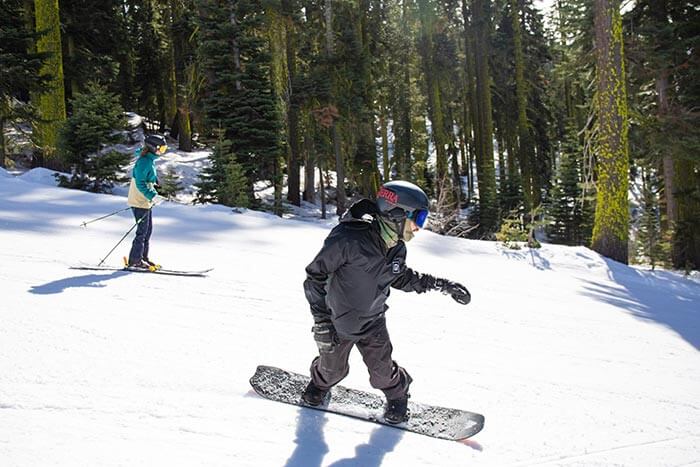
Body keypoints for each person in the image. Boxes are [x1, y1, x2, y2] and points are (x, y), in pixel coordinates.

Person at [302, 180, 471, 424]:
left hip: (373, 321)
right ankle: (318, 385)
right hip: (337, 322)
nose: (419, 228)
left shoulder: (396, 248)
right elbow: (314, 277)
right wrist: (322, 322)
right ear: (396, 214)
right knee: (331, 371)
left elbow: (401, 276)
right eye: (419, 219)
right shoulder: (349, 239)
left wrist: (443, 285)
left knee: (383, 374)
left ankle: (398, 398)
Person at [126, 134, 167, 269]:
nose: (162, 152)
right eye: (161, 149)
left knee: (147, 230)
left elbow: (147, 179)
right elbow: (140, 183)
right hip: (139, 200)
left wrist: (155, 189)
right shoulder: (144, 162)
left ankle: (143, 258)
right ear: (153, 148)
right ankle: (135, 261)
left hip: (144, 200)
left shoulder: (149, 160)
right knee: (142, 231)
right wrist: (152, 196)